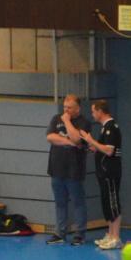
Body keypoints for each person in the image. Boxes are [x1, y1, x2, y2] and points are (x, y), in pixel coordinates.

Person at [44, 94, 90, 245]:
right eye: (64, 107)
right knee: (60, 202)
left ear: (78, 109)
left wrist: (67, 122)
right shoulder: (55, 119)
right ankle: (60, 233)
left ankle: (80, 234)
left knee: (78, 202)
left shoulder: (84, 122)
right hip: (56, 168)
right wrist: (69, 142)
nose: (66, 110)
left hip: (74, 170)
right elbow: (50, 137)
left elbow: (77, 138)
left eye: (69, 108)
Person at [77, 98, 123, 250]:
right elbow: (103, 148)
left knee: (113, 203)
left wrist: (92, 140)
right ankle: (110, 234)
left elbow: (109, 150)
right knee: (106, 202)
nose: (92, 114)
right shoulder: (104, 128)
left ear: (100, 111)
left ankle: (116, 237)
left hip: (110, 172)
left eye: (93, 111)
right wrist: (93, 146)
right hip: (103, 172)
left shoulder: (111, 127)